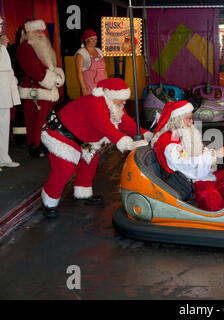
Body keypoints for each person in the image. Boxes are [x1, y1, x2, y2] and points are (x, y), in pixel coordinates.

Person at [40, 78, 152, 218]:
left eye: (125, 99)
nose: (124, 102)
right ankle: (49, 201)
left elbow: (126, 123)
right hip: (61, 136)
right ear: (110, 95)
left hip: (80, 139)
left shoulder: (113, 104)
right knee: (64, 170)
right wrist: (127, 144)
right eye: (120, 99)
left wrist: (145, 134)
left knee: (90, 160)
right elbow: (107, 128)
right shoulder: (96, 104)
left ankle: (82, 194)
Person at [151, 100, 224, 212]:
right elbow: (186, 165)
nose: (192, 121)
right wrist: (214, 155)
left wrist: (218, 153)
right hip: (187, 181)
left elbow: (198, 152)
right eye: (188, 118)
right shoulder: (168, 141)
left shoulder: (182, 133)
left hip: (199, 173)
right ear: (177, 119)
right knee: (208, 192)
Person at [16, 19, 65, 158]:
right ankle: (34, 145)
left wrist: (57, 75)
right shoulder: (25, 47)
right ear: (29, 32)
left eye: (41, 30)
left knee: (45, 119)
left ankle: (44, 142)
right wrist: (51, 78)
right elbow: (32, 68)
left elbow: (48, 66)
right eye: (37, 30)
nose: (40, 33)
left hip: (46, 88)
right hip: (35, 89)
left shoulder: (41, 45)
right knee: (35, 120)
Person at [0, 30, 21, 170]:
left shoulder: (4, 51)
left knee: (4, 126)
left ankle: (3, 158)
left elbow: (8, 71)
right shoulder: (2, 50)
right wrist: (2, 47)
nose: (6, 40)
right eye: (4, 38)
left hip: (5, 94)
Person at [75, 29, 107, 96]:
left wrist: (106, 84)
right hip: (90, 89)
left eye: (95, 39)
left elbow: (104, 70)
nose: (94, 41)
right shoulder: (81, 53)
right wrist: (84, 89)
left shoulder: (99, 51)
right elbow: (79, 72)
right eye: (91, 39)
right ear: (86, 40)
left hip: (102, 88)